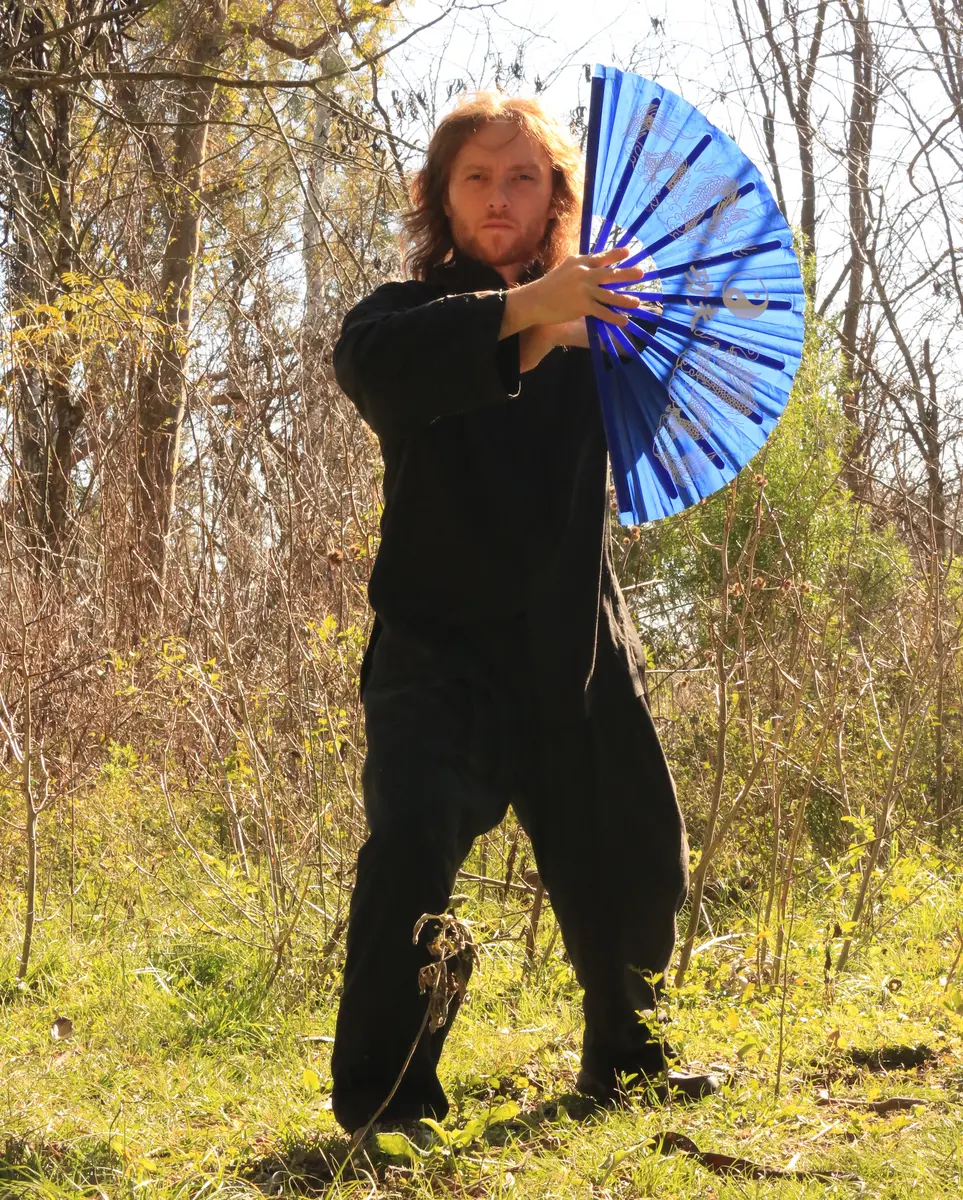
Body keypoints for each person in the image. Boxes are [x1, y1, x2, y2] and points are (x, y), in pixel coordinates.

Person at [329, 90, 720, 1138]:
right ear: (441, 197)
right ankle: (387, 1103)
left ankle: (628, 1061)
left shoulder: (605, 323)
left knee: (634, 851)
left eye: (522, 177)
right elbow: (375, 371)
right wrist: (532, 315)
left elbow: (670, 405)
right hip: (434, 649)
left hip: (576, 638)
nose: (498, 197)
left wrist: (618, 329)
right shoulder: (397, 315)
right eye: (476, 178)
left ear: (556, 196)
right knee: (409, 854)